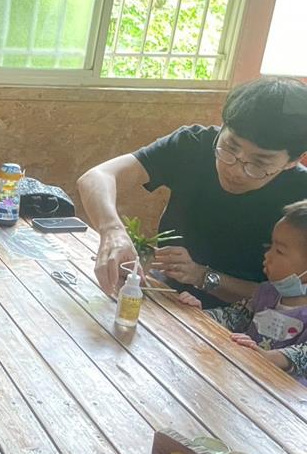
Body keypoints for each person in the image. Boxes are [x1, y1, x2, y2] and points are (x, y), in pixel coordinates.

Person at [78, 77, 307, 308]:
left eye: (259, 163)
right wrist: (112, 231)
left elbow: (293, 299)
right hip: (163, 294)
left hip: (242, 321)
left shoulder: (301, 195)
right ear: (222, 126)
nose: (235, 169)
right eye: (230, 147)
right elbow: (97, 177)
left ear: (292, 161)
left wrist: (202, 276)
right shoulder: (193, 144)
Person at [178, 201, 307, 384]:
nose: (267, 255)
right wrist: (201, 315)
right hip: (244, 379)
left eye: (279, 251)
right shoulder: (267, 293)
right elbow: (234, 316)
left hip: (282, 396)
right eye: (270, 246)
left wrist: (270, 358)